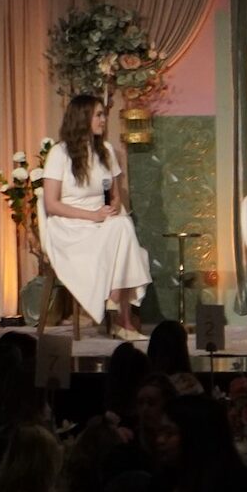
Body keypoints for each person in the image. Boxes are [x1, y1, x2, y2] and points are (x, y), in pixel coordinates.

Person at [42, 94, 151, 341]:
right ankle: (122, 321)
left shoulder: (107, 151)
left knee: (121, 225)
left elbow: (113, 196)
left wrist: (110, 210)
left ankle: (115, 303)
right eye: (99, 114)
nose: (104, 120)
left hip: (102, 222)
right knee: (123, 232)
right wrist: (92, 215)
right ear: (83, 118)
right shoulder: (59, 153)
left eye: (103, 114)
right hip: (70, 226)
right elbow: (52, 204)